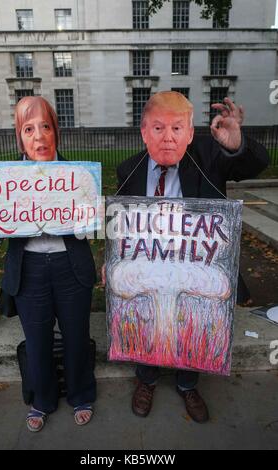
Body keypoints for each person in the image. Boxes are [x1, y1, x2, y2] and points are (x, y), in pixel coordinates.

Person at [113, 91, 269, 423]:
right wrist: (111, 261)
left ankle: (188, 384)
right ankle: (148, 379)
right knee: (146, 318)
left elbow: (255, 164)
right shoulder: (128, 169)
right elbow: (121, 228)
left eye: (177, 128)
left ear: (189, 132)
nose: (168, 137)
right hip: (151, 266)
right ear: (144, 132)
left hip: (198, 265)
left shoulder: (209, 155)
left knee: (193, 320)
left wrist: (236, 141)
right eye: (158, 128)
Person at [1, 96, 97, 431]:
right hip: (29, 270)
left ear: (56, 131)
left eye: (45, 126)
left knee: (76, 336)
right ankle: (41, 399)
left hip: (70, 266)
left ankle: (81, 394)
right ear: (20, 136)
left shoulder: (80, 176)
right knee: (37, 339)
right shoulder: (4, 180)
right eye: (29, 129)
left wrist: (85, 218)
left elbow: (88, 229)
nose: (39, 136)